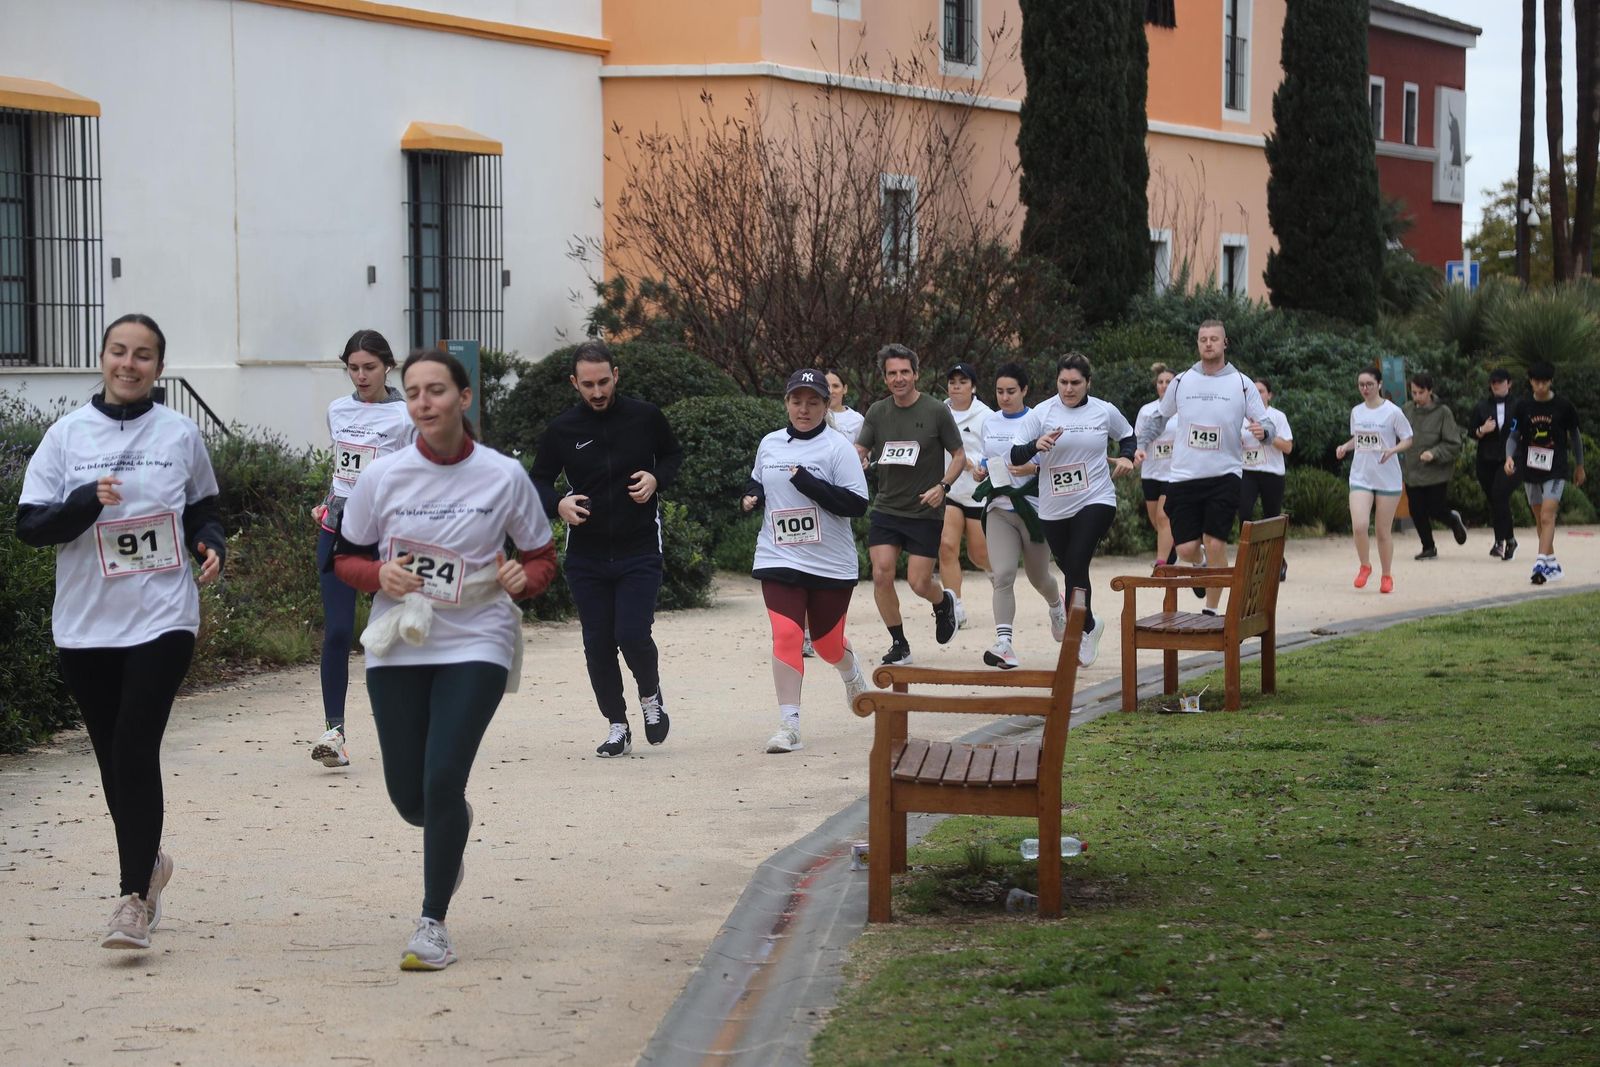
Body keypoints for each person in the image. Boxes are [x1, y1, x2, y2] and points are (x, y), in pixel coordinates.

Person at [333, 350, 556, 970]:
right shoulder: (383, 478)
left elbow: (540, 557)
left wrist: (523, 578)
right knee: (413, 799)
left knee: (442, 778)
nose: (424, 402)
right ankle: (447, 831)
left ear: (464, 398)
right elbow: (344, 560)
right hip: (400, 637)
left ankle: (432, 923)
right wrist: (378, 573)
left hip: (477, 636)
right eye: (413, 393)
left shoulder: (502, 475)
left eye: (436, 390)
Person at [16, 313, 225, 951]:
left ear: (158, 368)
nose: (128, 365)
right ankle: (151, 863)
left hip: (163, 615)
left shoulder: (181, 433)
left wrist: (207, 540)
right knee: (114, 758)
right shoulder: (66, 436)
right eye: (118, 352)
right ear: (102, 358)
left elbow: (204, 506)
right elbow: (30, 525)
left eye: (142, 356)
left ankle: (132, 897)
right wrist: (86, 501)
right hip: (85, 624)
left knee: (134, 746)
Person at [529, 341, 683, 757]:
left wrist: (656, 478)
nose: (597, 392)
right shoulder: (563, 429)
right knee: (598, 643)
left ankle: (651, 697)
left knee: (632, 633)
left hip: (639, 548)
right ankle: (617, 724)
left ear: (616, 375)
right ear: (574, 384)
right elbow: (538, 480)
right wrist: (558, 504)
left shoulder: (645, 416)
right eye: (588, 385)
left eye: (603, 382)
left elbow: (672, 456)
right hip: (586, 555)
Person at [740, 369, 871, 752]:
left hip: (830, 563)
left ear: (826, 405)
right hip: (778, 554)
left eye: (813, 402)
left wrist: (809, 484)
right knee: (788, 636)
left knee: (829, 645)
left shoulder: (837, 448)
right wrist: (752, 497)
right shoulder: (770, 443)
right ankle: (789, 725)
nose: (804, 409)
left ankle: (850, 672)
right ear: (786, 403)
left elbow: (857, 504)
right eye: (796, 401)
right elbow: (758, 481)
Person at [309, 329, 415, 769]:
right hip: (337, 532)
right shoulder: (337, 409)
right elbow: (342, 469)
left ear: (387, 366)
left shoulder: (406, 416)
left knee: (388, 638)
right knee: (336, 632)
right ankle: (334, 733)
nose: (361, 376)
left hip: (385, 536)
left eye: (369, 367)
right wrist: (328, 501)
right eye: (353, 368)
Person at [1135, 320, 1275, 615]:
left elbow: (1266, 423)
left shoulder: (1241, 382)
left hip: (1225, 475)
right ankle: (1199, 565)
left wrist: (1265, 433)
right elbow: (1159, 418)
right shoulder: (1183, 381)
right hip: (1185, 475)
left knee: (1214, 541)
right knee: (1185, 549)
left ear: (1225, 343)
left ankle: (1211, 611)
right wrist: (1140, 444)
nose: (1208, 344)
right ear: (1198, 344)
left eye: (1214, 339)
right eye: (1203, 339)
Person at [1008, 353, 1136, 668]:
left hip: (1096, 498)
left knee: (1078, 562)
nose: (1069, 388)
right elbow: (1014, 452)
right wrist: (1035, 446)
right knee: (1071, 568)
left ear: (1087, 383)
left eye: (1075, 383)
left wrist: (1127, 457)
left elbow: (1128, 436)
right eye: (1063, 382)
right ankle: (1091, 624)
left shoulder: (1103, 411)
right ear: (1057, 382)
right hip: (1054, 506)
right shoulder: (1042, 413)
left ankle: (1078, 634)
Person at [854, 343, 967, 665]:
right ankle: (899, 643)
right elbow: (859, 449)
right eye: (892, 373)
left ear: (916, 374)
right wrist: (856, 461)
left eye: (905, 372)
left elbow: (959, 456)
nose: (899, 378)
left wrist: (943, 487)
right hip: (887, 509)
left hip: (924, 510)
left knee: (919, 583)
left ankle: (943, 601)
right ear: (885, 378)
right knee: (881, 575)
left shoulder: (935, 411)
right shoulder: (877, 412)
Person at [972, 362, 1066, 669]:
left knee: (1040, 577)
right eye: (999, 391)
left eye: (1011, 391)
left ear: (1025, 390)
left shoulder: (1039, 421)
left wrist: (1032, 468)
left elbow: (1053, 465)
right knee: (1003, 576)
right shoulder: (990, 421)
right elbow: (987, 457)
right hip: (999, 506)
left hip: (1034, 509)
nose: (1004, 397)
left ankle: (1057, 606)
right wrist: (981, 469)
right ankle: (1005, 644)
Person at [1504, 361, 1586, 584]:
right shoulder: (1522, 407)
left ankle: (1539, 562)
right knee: (1539, 517)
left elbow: (1575, 437)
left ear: (1551, 382)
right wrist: (1509, 457)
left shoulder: (1563, 407)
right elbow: (1513, 436)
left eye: (1544, 382)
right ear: (1530, 382)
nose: (1540, 386)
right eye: (1536, 382)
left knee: (1548, 514)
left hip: (1556, 467)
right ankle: (1552, 563)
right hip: (1530, 467)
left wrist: (1580, 465)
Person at [1335, 367, 1413, 594]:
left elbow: (1408, 438)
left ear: (1379, 384)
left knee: (1382, 531)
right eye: (1361, 385)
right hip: (1361, 475)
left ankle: (1386, 575)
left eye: (1369, 384)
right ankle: (1365, 565)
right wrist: (1344, 447)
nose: (1365, 389)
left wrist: (1393, 450)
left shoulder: (1392, 412)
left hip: (1387, 478)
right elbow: (1358, 439)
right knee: (1359, 526)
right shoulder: (1357, 411)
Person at [938, 362, 993, 631]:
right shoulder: (940, 411)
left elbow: (996, 450)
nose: (956, 386)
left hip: (977, 493)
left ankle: (995, 573)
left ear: (973, 387)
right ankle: (954, 605)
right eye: (952, 381)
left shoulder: (986, 416)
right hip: (948, 490)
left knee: (978, 554)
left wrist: (977, 464)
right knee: (946, 546)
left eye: (962, 381)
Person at [1400, 372, 1467, 561]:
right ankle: (1428, 547)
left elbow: (1453, 443)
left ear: (1430, 391)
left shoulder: (1443, 412)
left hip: (1436, 472)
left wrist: (1434, 453)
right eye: (1413, 392)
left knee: (1435, 509)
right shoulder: (1406, 410)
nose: (1417, 397)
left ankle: (1453, 519)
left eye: (1421, 392)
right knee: (1416, 510)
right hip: (1412, 470)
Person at [1238, 377, 1295, 580]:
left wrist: (1266, 435)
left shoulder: (1276, 416)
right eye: (1253, 391)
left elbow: (1288, 447)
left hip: (1272, 472)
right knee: (1244, 514)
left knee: (1272, 517)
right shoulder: (1240, 417)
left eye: (1261, 391)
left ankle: (1277, 561)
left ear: (1269, 395)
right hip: (1247, 471)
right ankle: (1247, 561)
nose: (1257, 395)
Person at [1468, 367, 1519, 560]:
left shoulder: (1519, 405)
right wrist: (1482, 429)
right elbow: (1471, 431)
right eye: (1493, 383)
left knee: (1499, 495)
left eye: (1500, 382)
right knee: (1496, 501)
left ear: (1509, 383)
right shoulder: (1482, 406)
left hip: (1509, 459)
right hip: (1486, 459)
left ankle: (1503, 541)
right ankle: (1507, 540)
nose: (1496, 386)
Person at [1133, 363, 1177, 570]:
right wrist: (1136, 455)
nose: (1164, 385)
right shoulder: (1147, 410)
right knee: (1156, 520)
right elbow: (1139, 438)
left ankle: (1161, 563)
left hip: (1174, 472)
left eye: (1169, 382)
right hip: (1151, 471)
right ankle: (1172, 548)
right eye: (1160, 382)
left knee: (1163, 515)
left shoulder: (1182, 411)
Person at [825, 369, 865, 444]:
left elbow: (864, 451)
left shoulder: (857, 420)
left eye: (835, 386)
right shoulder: (813, 416)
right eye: (826, 386)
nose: (830, 391)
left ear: (845, 389)